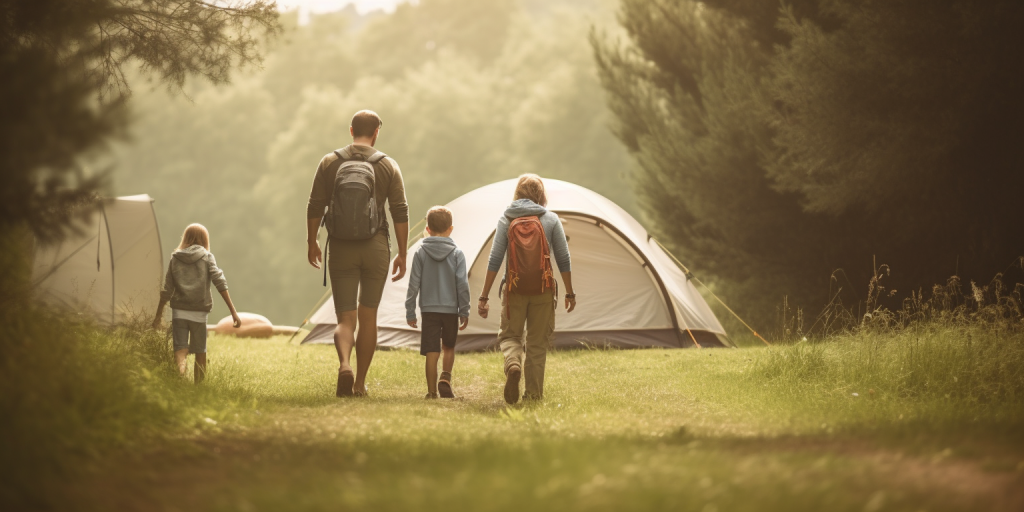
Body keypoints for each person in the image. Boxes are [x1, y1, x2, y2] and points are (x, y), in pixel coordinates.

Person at [306, 109, 409, 397]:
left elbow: (315, 205)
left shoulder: (330, 162)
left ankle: (344, 365)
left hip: (340, 246)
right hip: (375, 247)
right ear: (377, 132)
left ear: (351, 131)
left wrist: (312, 240)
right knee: (369, 316)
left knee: (345, 319)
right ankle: (360, 383)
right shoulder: (388, 165)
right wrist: (402, 252)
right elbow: (399, 210)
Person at [477, 174, 576, 404]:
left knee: (511, 336)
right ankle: (532, 395)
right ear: (541, 195)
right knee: (537, 343)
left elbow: (494, 259)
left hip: (514, 290)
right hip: (544, 289)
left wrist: (484, 295)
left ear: (517, 194)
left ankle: (513, 362)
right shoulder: (550, 219)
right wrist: (569, 292)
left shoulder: (506, 218)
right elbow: (563, 258)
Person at [153, 223, 241, 383]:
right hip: (199, 313)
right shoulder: (207, 257)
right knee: (200, 351)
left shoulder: (175, 258)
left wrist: (158, 315)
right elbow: (219, 281)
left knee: (180, 349)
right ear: (204, 239)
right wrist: (233, 311)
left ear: (185, 238)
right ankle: (198, 389)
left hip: (179, 311)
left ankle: (180, 376)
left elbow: (167, 289)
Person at [405, 206, 470, 399]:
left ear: (428, 228)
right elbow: (462, 285)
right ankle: (445, 379)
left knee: (431, 350)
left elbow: (413, 284)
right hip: (451, 310)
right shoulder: (457, 253)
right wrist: (464, 310)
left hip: (429, 310)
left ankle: (432, 391)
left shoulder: (421, 252)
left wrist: (410, 311)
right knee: (448, 346)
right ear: (450, 229)